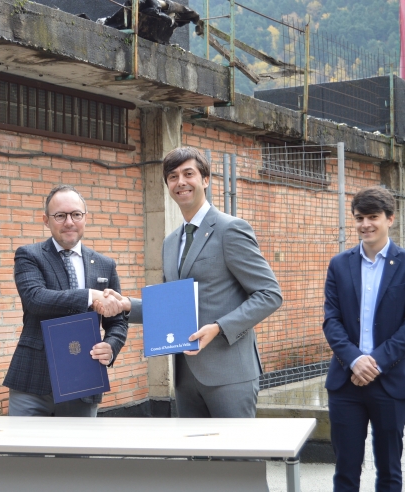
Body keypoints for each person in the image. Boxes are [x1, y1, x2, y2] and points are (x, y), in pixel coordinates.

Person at [97, 147, 282, 418]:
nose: (180, 182)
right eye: (172, 176)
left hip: (229, 374)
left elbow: (269, 294)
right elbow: (169, 306)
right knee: (194, 459)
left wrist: (219, 327)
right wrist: (126, 304)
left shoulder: (231, 229)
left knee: (235, 459)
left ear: (205, 180)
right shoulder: (171, 242)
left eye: (188, 174)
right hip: (185, 377)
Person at [323, 186, 405, 492]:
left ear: (390, 219)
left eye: (373, 217)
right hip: (346, 382)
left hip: (392, 382)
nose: (365, 224)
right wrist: (355, 360)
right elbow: (332, 320)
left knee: (389, 470)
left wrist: (375, 362)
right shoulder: (339, 264)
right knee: (345, 470)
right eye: (359, 218)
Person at [3, 185, 128, 417]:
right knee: (24, 452)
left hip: (84, 378)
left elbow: (117, 321)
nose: (69, 222)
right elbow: (35, 298)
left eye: (76, 214)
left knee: (77, 452)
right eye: (60, 215)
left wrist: (110, 347)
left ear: (85, 218)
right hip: (32, 381)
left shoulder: (105, 265)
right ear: (46, 220)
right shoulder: (29, 255)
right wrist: (90, 296)